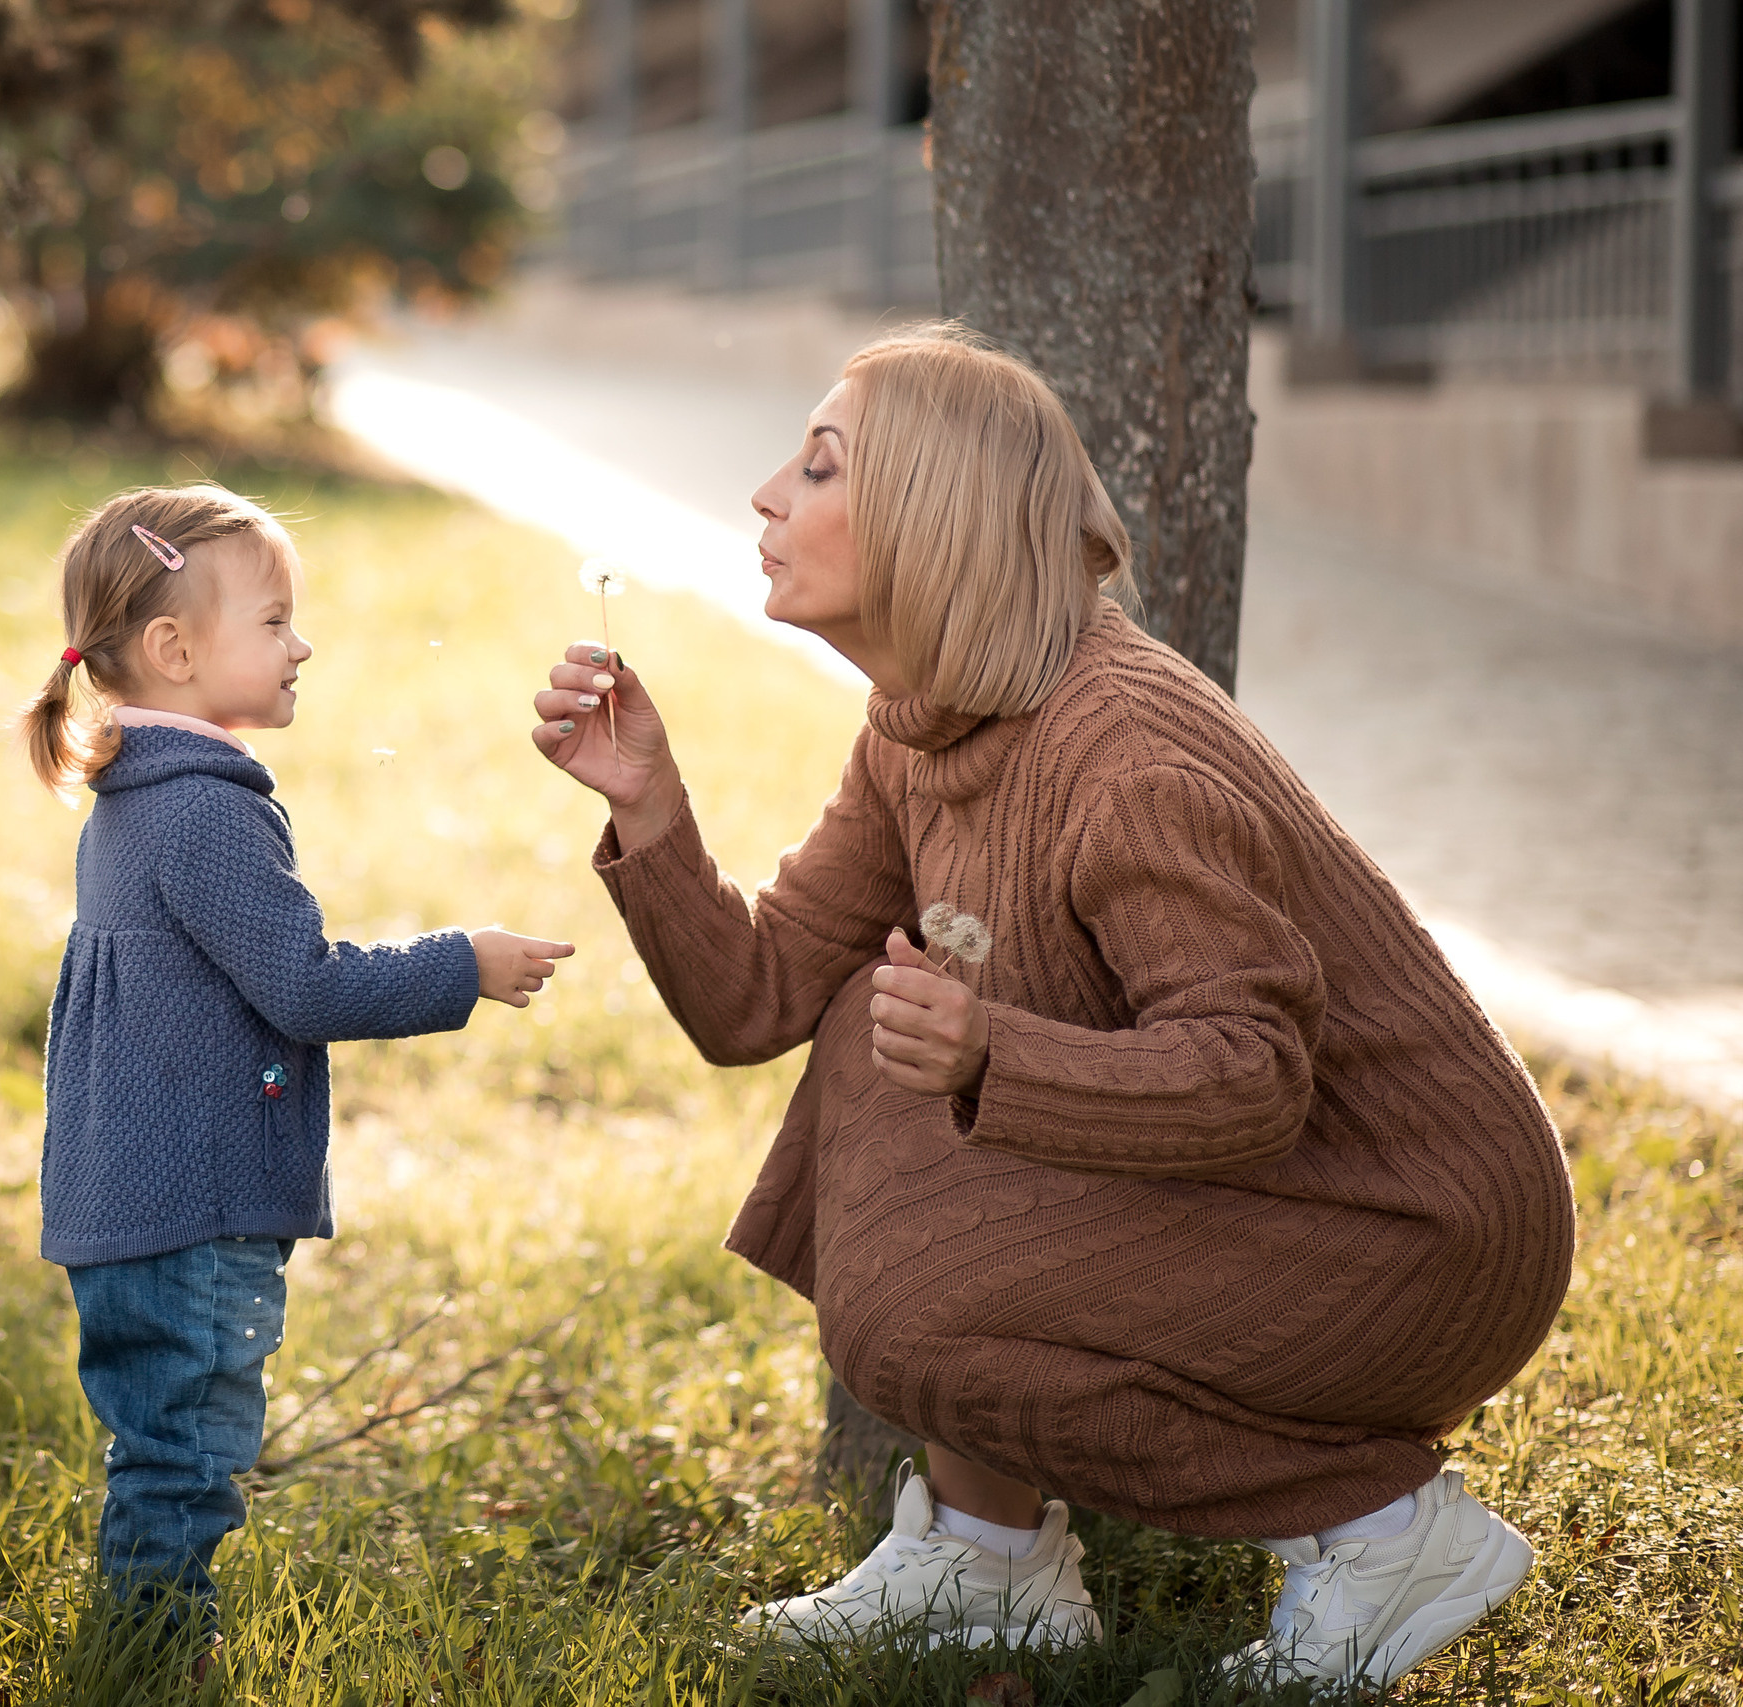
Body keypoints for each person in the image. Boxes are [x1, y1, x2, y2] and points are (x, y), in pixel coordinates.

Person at [528, 325, 1573, 1686]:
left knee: (917, 1306)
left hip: (1416, 1232)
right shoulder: (925, 723)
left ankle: (1382, 1530)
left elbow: (1253, 1073)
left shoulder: (1125, 752)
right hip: (1297, 1192)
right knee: (874, 1023)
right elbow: (760, 997)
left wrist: (988, 1049)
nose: (766, 494)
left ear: (928, 516)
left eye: (820, 465)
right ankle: (989, 1558)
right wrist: (651, 808)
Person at [23, 484, 572, 1665]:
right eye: (274, 623)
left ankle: (146, 1643)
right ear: (173, 651)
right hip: (192, 1210)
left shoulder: (133, 802)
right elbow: (307, 988)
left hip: (128, 1202)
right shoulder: (205, 815)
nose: (301, 644)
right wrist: (458, 965)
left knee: (160, 1443)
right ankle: (153, 1657)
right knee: (187, 1458)